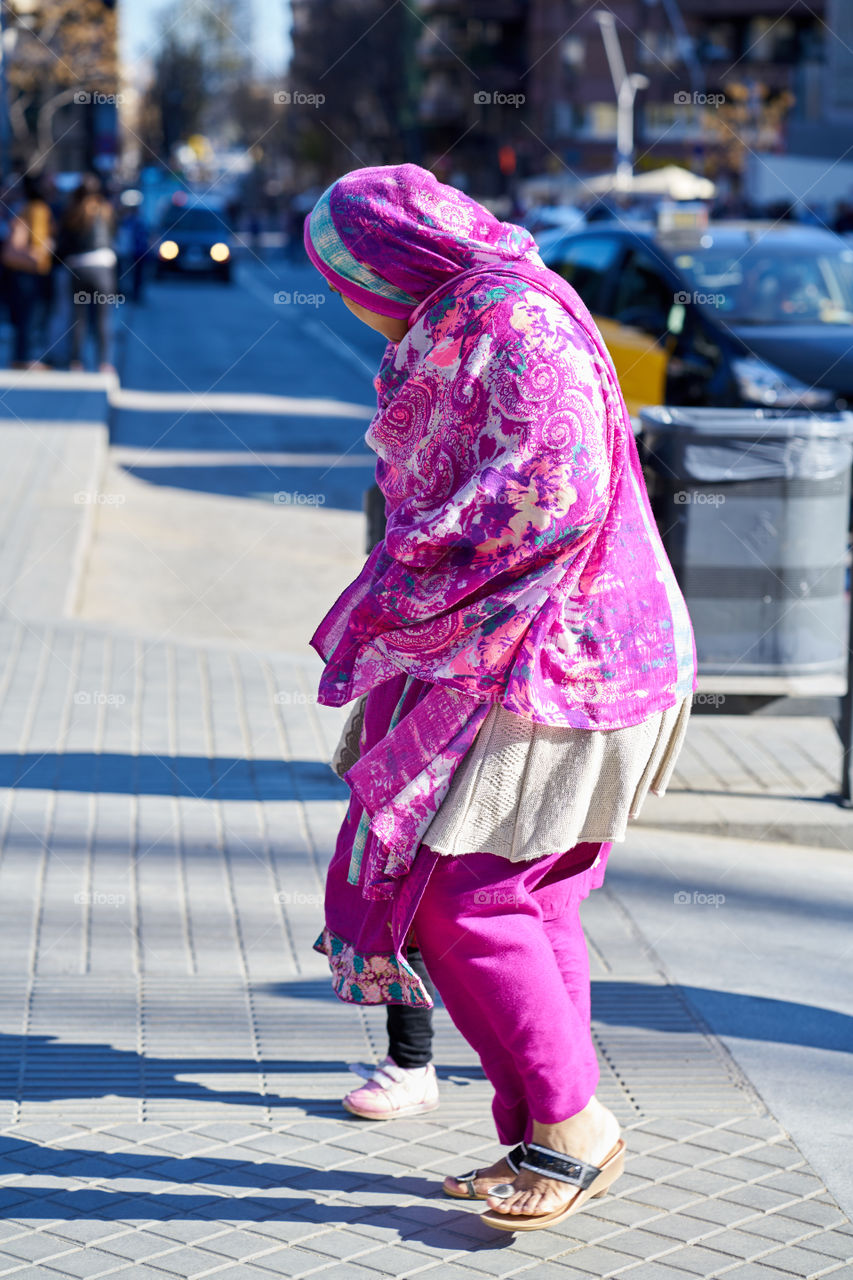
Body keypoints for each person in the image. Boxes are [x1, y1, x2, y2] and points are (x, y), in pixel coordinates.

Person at [304, 163, 697, 1232]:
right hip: (591, 651)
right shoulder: (482, 306)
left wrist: (404, 572)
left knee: (461, 894)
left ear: (387, 266)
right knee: (531, 896)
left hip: (556, 662)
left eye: (340, 273)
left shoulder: (508, 324)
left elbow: (552, 492)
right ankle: (549, 1130)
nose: (338, 296)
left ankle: (570, 1128)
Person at [57, 174, 118, 373]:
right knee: (102, 318)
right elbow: (113, 236)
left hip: (78, 267)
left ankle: (76, 362)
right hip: (103, 268)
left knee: (78, 318)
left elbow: (62, 244)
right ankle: (104, 362)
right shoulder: (106, 210)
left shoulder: (72, 212)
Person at [1, 172, 55, 370]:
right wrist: (37, 254)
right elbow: (17, 245)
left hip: (26, 273)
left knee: (27, 316)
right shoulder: (32, 211)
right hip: (26, 272)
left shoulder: (30, 209)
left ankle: (22, 357)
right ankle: (22, 359)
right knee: (27, 316)